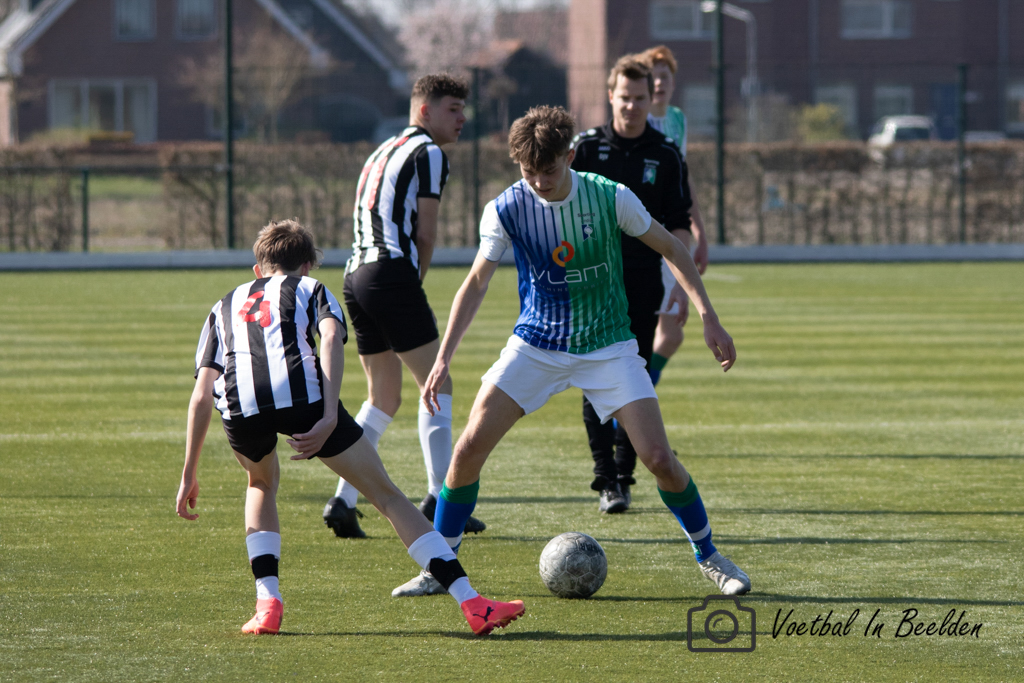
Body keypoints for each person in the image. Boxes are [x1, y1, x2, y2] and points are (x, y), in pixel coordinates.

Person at [392, 106, 751, 599]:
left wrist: (709, 315)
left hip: (608, 346)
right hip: (536, 345)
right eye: (529, 171)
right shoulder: (506, 208)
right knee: (468, 448)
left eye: (549, 169)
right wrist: (443, 358)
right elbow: (475, 283)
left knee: (658, 458)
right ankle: (440, 568)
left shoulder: (610, 197)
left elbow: (671, 247)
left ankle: (709, 556)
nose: (540, 181)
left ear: (570, 156)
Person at [175, 220, 524, 636]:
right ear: (308, 265)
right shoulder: (311, 288)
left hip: (240, 403)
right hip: (302, 396)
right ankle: (471, 602)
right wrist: (327, 416)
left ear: (257, 269)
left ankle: (267, 604)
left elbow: (201, 395)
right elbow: (328, 339)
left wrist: (189, 474)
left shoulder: (223, 305)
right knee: (387, 496)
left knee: (261, 484)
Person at [323, 73, 485, 540]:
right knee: (437, 383)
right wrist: (413, 283)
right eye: (453, 108)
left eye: (463, 109)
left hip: (356, 275)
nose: (462, 118)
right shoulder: (429, 152)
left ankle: (343, 501)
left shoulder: (381, 149)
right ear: (425, 110)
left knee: (383, 398)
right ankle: (440, 498)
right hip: (391, 273)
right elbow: (426, 232)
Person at [571, 56, 691, 513]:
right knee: (593, 378)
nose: (632, 106)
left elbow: (679, 226)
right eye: (624, 97)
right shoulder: (584, 149)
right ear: (611, 96)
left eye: (640, 98)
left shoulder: (666, 153)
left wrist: (679, 282)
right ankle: (607, 479)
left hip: (642, 285)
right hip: (590, 287)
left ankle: (624, 476)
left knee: (632, 377)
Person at [640, 45, 710, 387]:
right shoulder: (635, 121)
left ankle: (638, 399)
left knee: (671, 336)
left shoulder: (677, 119)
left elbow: (683, 178)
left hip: (670, 236)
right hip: (639, 236)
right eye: (652, 78)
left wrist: (700, 232)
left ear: (673, 81)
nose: (658, 84)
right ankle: (628, 409)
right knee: (636, 334)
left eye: (664, 77)